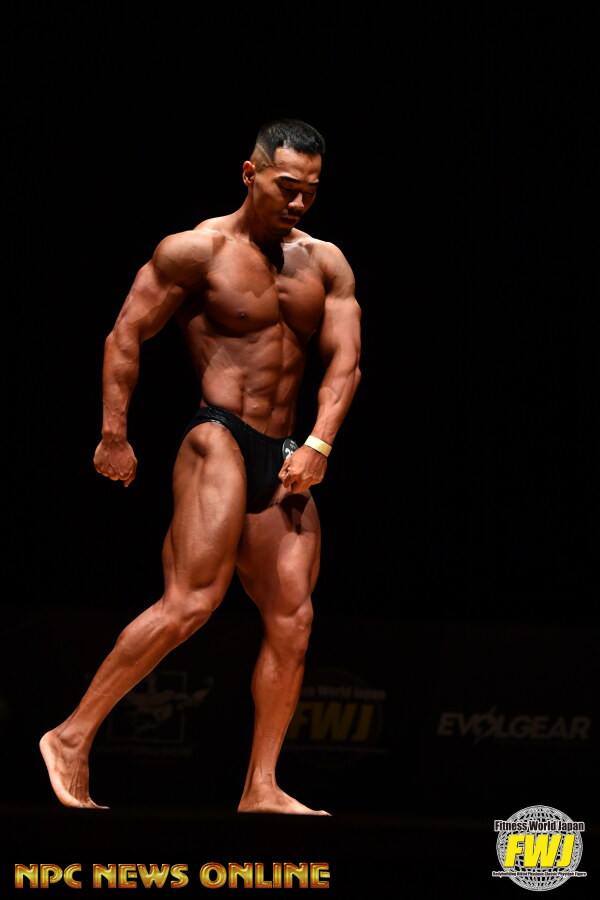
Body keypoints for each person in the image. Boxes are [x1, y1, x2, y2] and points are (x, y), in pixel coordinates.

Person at [40, 118, 361, 815]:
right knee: (192, 601)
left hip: (285, 451)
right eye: (286, 187)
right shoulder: (196, 250)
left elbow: (346, 363)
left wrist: (320, 443)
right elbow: (126, 334)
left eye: (310, 191)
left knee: (293, 620)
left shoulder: (326, 263)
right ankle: (70, 736)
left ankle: (261, 786)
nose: (298, 203)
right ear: (249, 174)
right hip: (218, 435)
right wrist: (114, 434)